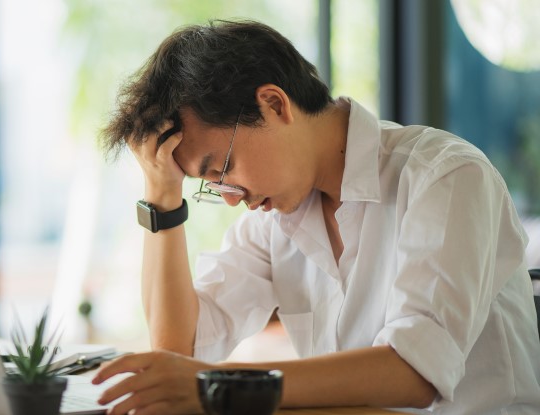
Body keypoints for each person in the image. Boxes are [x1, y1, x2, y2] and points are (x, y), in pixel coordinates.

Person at [90, 19, 540, 415]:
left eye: (222, 168)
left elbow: (414, 373)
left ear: (274, 104)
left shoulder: (444, 176)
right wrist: (163, 197)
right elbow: (179, 352)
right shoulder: (272, 224)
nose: (230, 199)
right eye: (210, 183)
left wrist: (215, 388)